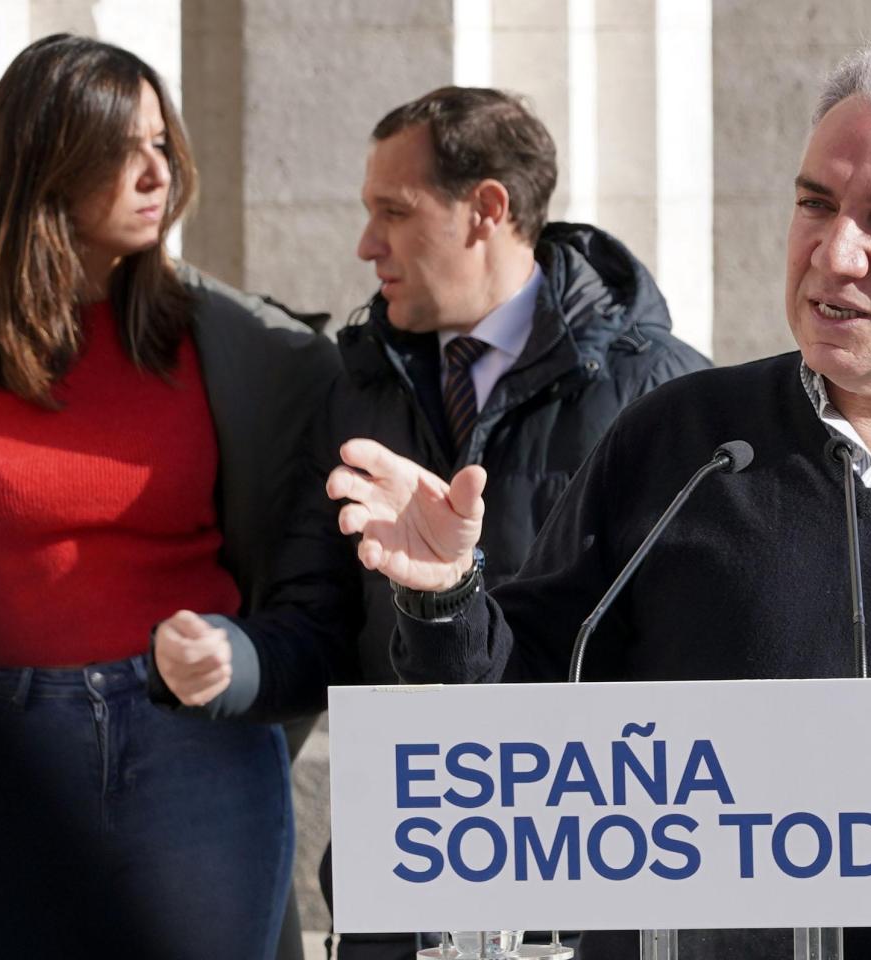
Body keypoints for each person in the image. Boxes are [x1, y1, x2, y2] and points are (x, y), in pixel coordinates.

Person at [318, 42, 871, 959]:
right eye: (815, 204)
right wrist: (446, 596)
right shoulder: (678, 445)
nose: (834, 252)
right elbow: (526, 710)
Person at [146, 86, 708, 957]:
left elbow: (695, 666)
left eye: (394, 214)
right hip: (400, 889)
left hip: (586, 893)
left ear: (488, 209)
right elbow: (323, 622)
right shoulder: (354, 386)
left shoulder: (658, 393)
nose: (367, 246)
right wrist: (235, 662)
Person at [0, 34, 340, 960]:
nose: (157, 172)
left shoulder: (246, 349)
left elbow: (308, 571)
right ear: (43, 163)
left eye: (161, 143)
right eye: (122, 148)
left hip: (194, 749)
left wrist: (240, 659)